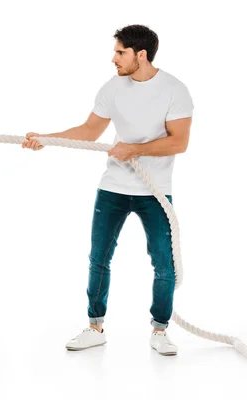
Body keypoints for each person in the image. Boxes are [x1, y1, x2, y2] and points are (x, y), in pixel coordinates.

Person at [23, 24, 193, 356]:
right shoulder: (112, 88)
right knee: (99, 258)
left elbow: (179, 141)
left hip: (155, 191)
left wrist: (134, 149)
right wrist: (46, 138)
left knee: (163, 262)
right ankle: (95, 327)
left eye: (120, 52)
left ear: (140, 55)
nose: (113, 58)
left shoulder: (175, 90)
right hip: (113, 187)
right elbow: (89, 130)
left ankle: (160, 330)